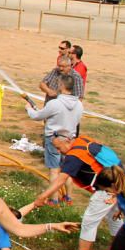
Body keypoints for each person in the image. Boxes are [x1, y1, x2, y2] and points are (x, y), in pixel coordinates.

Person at [23, 131, 123, 250]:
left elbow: (61, 180)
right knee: (114, 217)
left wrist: (42, 196)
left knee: (89, 222)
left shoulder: (74, 156)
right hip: (119, 182)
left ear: (68, 141)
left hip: (105, 190)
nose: (60, 152)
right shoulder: (83, 140)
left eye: (59, 148)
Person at [24, 74, 83, 204]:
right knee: (67, 170)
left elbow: (37, 116)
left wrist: (28, 109)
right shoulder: (79, 104)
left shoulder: (54, 103)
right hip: (70, 141)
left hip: (54, 141)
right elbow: (77, 122)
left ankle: (54, 199)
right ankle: (68, 198)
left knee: (54, 170)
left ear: (62, 86)